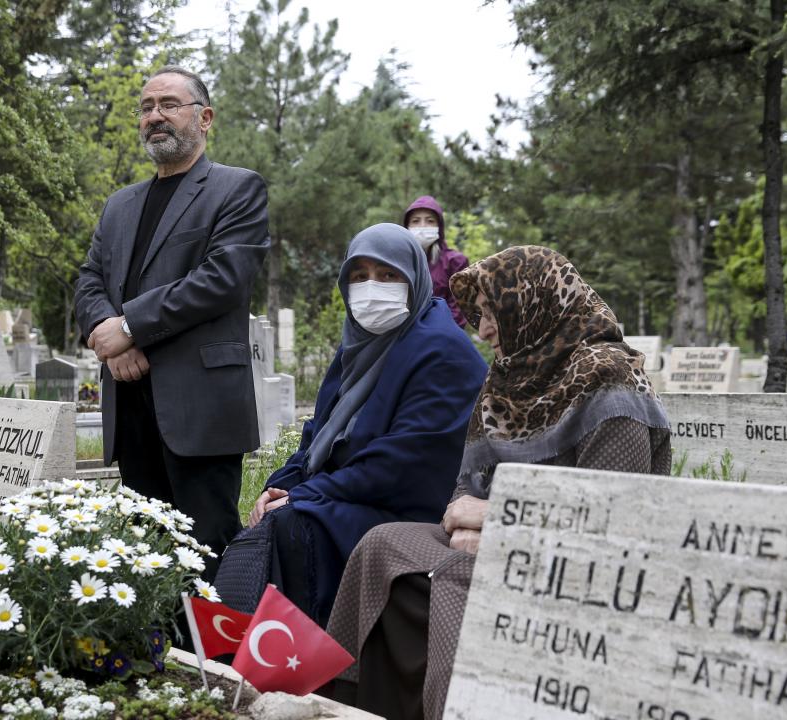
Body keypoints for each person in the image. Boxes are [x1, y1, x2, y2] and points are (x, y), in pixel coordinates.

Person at [325, 246, 672, 720]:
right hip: (495, 540)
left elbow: (615, 514)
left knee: (453, 576)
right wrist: (469, 520)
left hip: (573, 560)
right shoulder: (507, 381)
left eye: (491, 314)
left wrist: (498, 520)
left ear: (533, 305)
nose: (484, 331)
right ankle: (353, 704)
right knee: (381, 545)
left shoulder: (608, 375)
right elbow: (464, 489)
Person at [74, 66, 270, 576]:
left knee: (207, 553)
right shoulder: (120, 205)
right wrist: (111, 338)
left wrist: (130, 327)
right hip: (130, 402)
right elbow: (90, 279)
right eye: (146, 107)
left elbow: (221, 280)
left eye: (168, 104)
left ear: (205, 118)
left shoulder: (236, 189)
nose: (155, 116)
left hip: (199, 408)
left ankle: (215, 634)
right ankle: (156, 633)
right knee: (145, 555)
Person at [241, 223, 488, 626]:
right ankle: (255, 648)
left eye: (388, 275)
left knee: (295, 524)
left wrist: (303, 496)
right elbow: (317, 437)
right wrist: (278, 487)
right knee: (271, 519)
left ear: (414, 278)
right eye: (360, 276)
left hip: (410, 511)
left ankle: (309, 652)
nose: (372, 287)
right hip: (357, 496)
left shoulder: (443, 351)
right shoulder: (357, 348)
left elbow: (398, 465)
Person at [404, 196, 469, 329]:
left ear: (439, 226)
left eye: (430, 221)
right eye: (415, 221)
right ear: (407, 227)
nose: (422, 226)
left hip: (442, 334)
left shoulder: (455, 262)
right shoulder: (398, 261)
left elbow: (459, 309)